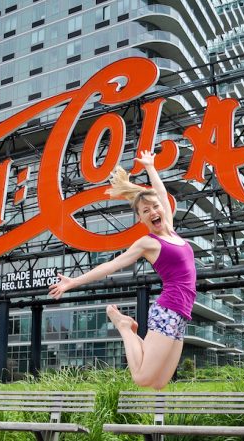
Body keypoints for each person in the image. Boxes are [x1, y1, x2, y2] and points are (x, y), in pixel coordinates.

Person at [48, 150, 196, 390]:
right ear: (140, 219)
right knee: (141, 378)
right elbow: (112, 265)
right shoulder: (148, 243)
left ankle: (154, 423)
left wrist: (150, 166)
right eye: (145, 211)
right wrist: (73, 282)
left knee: (158, 382)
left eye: (155, 208)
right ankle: (125, 327)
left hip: (182, 313)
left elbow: (159, 192)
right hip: (168, 310)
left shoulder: (170, 229)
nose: (153, 213)